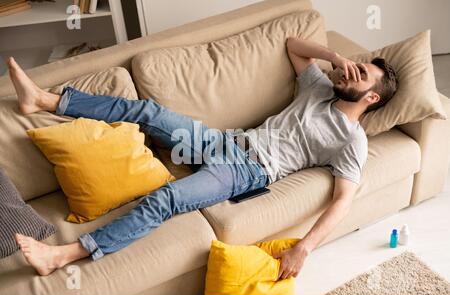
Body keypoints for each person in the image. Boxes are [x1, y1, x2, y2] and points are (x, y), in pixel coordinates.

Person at [9, 36, 398, 280]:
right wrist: (333, 55)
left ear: (372, 98)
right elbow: (295, 44)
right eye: (354, 66)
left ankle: (62, 256)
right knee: (147, 112)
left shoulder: (351, 141)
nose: (349, 71)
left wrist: (305, 247)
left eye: (360, 74)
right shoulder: (319, 87)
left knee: (166, 199)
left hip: (247, 170)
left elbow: (343, 200)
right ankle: (45, 100)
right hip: (224, 142)